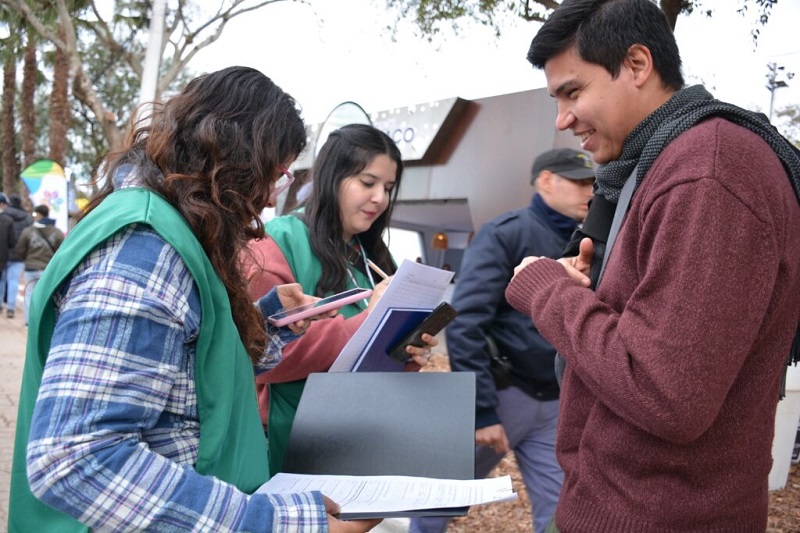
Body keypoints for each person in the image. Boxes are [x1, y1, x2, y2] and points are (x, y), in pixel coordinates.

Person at [9, 66, 379, 533]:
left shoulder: (169, 231)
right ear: (236, 157)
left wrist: (266, 325)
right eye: (276, 173)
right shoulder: (143, 248)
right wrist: (269, 522)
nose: (268, 199)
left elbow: (186, 377)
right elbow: (77, 457)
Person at [505, 0, 800, 531]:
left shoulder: (708, 172)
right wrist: (596, 291)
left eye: (573, 92)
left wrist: (549, 292)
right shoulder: (667, 162)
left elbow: (669, 393)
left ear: (638, 65)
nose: (562, 119)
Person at [409, 147, 594, 533]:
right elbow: (466, 322)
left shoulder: (586, 241)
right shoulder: (505, 233)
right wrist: (482, 411)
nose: (589, 191)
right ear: (546, 181)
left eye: (591, 182)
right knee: (440, 498)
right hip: (503, 395)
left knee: (561, 511)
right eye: (578, 182)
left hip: (554, 402)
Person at [246, 123, 436, 474]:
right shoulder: (277, 241)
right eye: (367, 183)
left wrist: (407, 351)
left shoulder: (374, 255)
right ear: (332, 177)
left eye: (388, 188)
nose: (380, 197)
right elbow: (263, 354)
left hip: (361, 438)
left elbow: (370, 360)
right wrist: (369, 322)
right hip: (287, 445)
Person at [15, 204, 66, 324]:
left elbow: (20, 250)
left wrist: (27, 259)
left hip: (31, 268)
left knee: (29, 295)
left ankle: (29, 322)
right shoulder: (57, 232)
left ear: (38, 214)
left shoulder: (28, 231)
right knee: (46, 297)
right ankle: (43, 322)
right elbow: (62, 251)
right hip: (48, 270)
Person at [2, 193, 33, 318]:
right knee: (13, 280)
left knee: (2, 280)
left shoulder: (4, 215)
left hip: (3, 252)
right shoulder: (27, 217)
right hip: (19, 255)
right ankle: (10, 307)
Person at [0, 193, 17, 313]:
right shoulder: (8, 220)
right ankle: (7, 306)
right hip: (2, 257)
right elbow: (12, 242)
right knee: (4, 280)